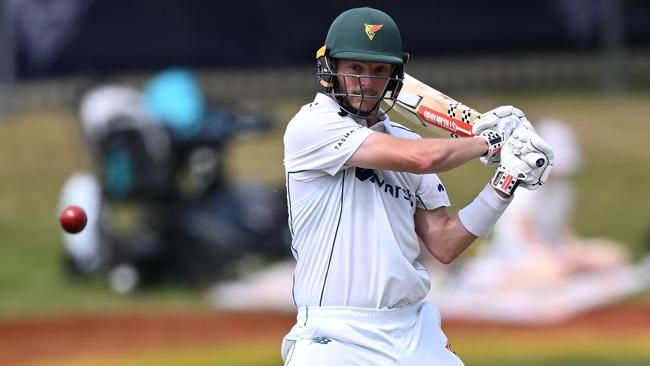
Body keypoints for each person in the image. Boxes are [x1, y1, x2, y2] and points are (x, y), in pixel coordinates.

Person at [280, 7, 554, 365]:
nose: (366, 81)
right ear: (331, 68)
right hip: (335, 332)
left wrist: (505, 181)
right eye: (355, 68)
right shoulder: (311, 126)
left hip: (411, 328)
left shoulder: (404, 138)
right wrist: (491, 143)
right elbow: (421, 158)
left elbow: (444, 242)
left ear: (395, 75)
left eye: (379, 70)